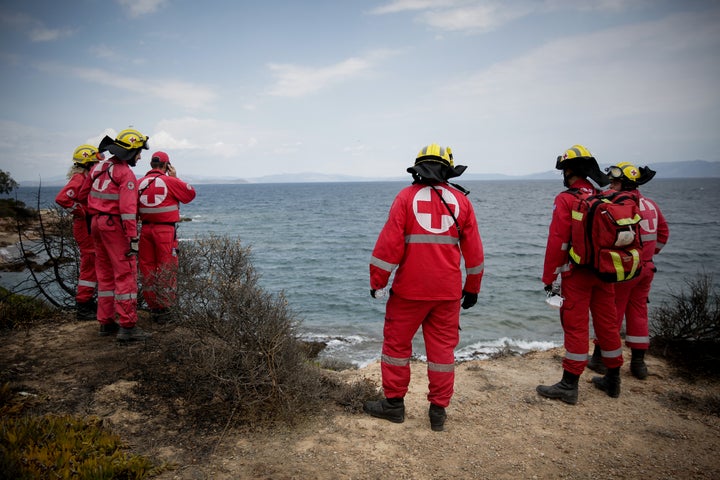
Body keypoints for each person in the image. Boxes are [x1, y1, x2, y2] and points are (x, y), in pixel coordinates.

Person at [364, 144, 484, 431]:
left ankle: (393, 406)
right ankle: (438, 412)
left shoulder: (405, 197)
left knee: (396, 347)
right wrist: (473, 287)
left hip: (408, 292)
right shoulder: (462, 202)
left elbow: (387, 246)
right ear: (447, 169)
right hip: (448, 293)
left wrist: (378, 281)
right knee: (442, 351)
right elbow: (475, 252)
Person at [537, 144, 624, 404]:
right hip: (606, 270)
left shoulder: (566, 199)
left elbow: (558, 242)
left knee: (575, 327)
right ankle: (613, 379)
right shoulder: (605, 195)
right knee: (608, 324)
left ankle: (569, 385)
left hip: (578, 274)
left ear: (568, 172)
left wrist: (549, 277)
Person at [587, 162, 669, 379]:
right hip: (647, 269)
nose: (611, 186)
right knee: (639, 313)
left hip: (626, 271)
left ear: (624, 183)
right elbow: (663, 235)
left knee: (611, 314)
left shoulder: (621, 206)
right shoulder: (651, 205)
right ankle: (639, 365)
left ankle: (599, 359)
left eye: (614, 182)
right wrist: (649, 255)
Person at [78, 128, 150, 342]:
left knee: (105, 273)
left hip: (96, 225)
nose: (139, 156)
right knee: (125, 274)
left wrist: (95, 211)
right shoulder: (125, 173)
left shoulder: (98, 167)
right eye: (138, 152)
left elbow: (82, 195)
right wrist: (132, 237)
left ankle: (106, 322)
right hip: (115, 227)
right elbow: (128, 209)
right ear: (131, 151)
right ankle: (127, 327)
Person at [137, 151, 196, 321]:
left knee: (147, 268)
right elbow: (189, 195)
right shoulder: (170, 181)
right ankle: (166, 308)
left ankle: (153, 307)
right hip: (165, 231)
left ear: (151, 165)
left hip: (145, 230)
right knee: (166, 267)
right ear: (166, 165)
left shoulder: (138, 183)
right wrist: (175, 177)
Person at [55, 144, 104, 320]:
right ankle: (84, 305)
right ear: (87, 163)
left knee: (92, 263)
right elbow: (62, 198)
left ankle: (87, 302)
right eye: (94, 163)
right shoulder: (79, 179)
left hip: (87, 225)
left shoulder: (84, 178)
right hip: (84, 226)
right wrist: (80, 211)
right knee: (90, 264)